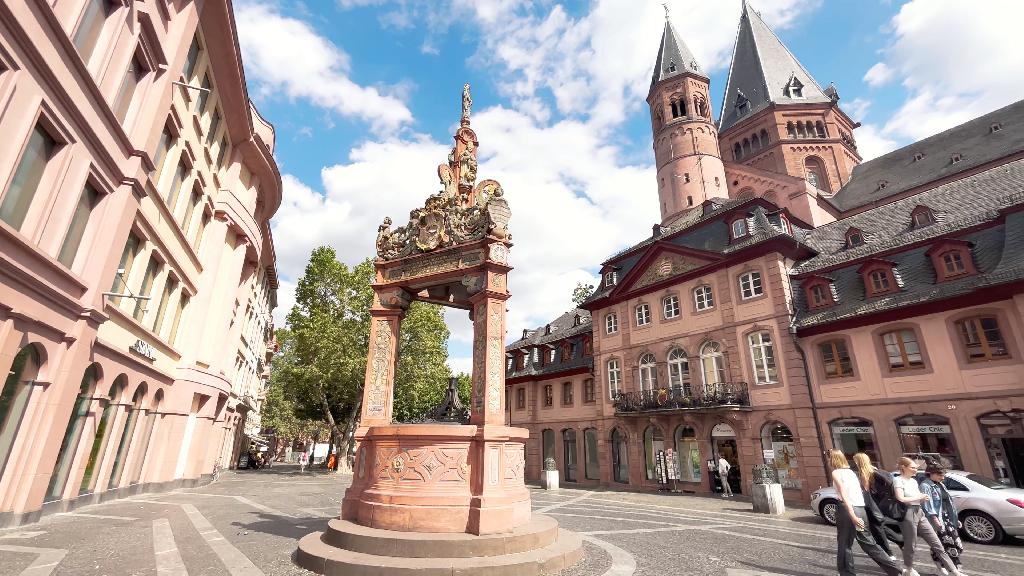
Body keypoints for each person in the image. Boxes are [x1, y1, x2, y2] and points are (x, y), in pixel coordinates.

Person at [828, 450, 902, 576]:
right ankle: (896, 570)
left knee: (844, 543)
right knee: (868, 542)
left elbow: (843, 492)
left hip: (847, 510)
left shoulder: (836, 472)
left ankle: (847, 573)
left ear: (833, 460)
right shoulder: (851, 472)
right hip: (860, 509)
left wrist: (851, 514)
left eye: (829, 458)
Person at [894, 457, 964, 576]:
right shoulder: (898, 480)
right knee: (911, 544)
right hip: (908, 513)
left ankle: (955, 571)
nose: (915, 470)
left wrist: (922, 498)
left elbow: (918, 497)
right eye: (913, 468)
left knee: (937, 543)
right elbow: (900, 498)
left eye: (916, 468)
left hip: (920, 512)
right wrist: (920, 497)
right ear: (903, 468)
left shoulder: (914, 481)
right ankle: (909, 568)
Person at [921, 464, 966, 576]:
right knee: (942, 544)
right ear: (931, 474)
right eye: (940, 475)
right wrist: (935, 519)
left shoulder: (940, 484)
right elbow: (927, 505)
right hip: (937, 518)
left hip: (947, 517)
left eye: (943, 475)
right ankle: (951, 568)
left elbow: (948, 503)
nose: (943, 477)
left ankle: (949, 566)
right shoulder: (925, 486)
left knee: (957, 544)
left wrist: (955, 518)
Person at [851, 452, 898, 562]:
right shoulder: (874, 469)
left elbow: (866, 490)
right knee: (881, 525)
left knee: (876, 528)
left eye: (855, 460)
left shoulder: (864, 473)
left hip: (871, 505)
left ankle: (887, 552)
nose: (854, 462)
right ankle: (895, 545)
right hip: (879, 502)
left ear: (859, 461)